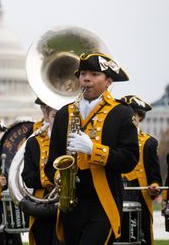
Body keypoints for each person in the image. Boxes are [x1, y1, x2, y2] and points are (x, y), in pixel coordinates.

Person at [45, 53, 139, 245]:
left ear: (108, 82)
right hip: (71, 203)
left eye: (94, 74)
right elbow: (52, 160)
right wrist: (60, 179)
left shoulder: (121, 113)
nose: (86, 79)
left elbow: (130, 159)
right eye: (83, 73)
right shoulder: (65, 113)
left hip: (102, 203)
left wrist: (93, 150)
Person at [121, 95, 162, 245]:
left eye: (133, 115)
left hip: (140, 195)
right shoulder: (112, 139)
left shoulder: (149, 143)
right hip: (116, 190)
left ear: (140, 117)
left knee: (142, 231)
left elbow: (155, 175)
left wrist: (155, 187)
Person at [22, 104, 62, 245]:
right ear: (46, 116)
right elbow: (27, 177)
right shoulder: (33, 142)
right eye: (54, 116)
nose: (59, 121)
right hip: (42, 205)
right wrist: (53, 178)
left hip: (68, 207)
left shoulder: (76, 142)